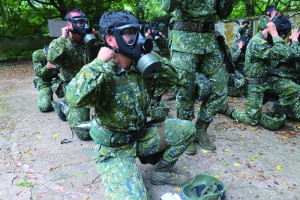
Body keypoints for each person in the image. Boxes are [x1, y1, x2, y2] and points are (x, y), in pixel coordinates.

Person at [65, 11, 195, 199]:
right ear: (110, 39)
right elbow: (73, 99)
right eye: (129, 33)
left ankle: (162, 172)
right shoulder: (102, 71)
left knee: (186, 129)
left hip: (140, 136)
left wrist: (151, 56)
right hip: (114, 149)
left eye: (139, 32)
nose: (138, 38)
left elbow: (176, 78)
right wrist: (98, 62)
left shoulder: (141, 66)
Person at [161, 0, 234, 154]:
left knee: (220, 86)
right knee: (184, 90)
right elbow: (166, 7)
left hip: (209, 42)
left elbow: (224, 12)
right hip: (183, 41)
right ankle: (185, 132)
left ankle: (201, 128)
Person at [223, 16, 298, 128]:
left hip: (268, 81)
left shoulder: (267, 41)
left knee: (293, 89)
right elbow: (282, 52)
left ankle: (277, 116)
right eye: (281, 35)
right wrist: (274, 33)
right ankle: (226, 109)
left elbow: (287, 53)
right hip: (255, 85)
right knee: (252, 120)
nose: (280, 38)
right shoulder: (257, 42)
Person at [47, 8, 103, 140]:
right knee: (84, 135)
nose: (82, 25)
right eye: (78, 22)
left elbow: (107, 48)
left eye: (84, 21)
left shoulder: (88, 40)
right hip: (73, 88)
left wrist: (96, 35)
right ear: (68, 25)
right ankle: (64, 107)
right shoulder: (61, 43)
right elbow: (51, 58)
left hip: (92, 83)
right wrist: (62, 37)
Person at [32, 46, 63, 112]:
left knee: (66, 92)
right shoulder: (37, 54)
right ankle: (57, 104)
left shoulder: (58, 53)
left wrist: (57, 66)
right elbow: (39, 73)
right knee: (44, 107)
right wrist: (47, 67)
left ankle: (67, 104)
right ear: (45, 53)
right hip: (44, 82)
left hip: (55, 79)